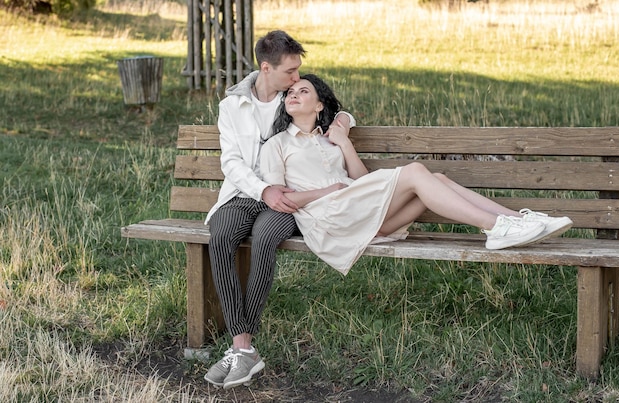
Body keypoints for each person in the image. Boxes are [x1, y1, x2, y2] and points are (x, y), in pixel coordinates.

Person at [259, 74, 573, 275]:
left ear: (318, 106)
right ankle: (495, 227)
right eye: (291, 93)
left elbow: (361, 180)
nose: (294, 95)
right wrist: (326, 192)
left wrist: (344, 142)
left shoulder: (329, 138)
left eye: (304, 91)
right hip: (329, 218)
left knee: (438, 181)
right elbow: (279, 199)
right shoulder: (277, 144)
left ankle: (518, 221)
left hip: (358, 215)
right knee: (416, 173)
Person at [203, 33, 353, 389]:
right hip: (245, 193)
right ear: (266, 68)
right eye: (291, 70)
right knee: (220, 236)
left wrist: (344, 121)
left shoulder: (294, 93)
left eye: (298, 69)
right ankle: (242, 347)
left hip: (289, 192)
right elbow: (232, 162)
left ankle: (243, 347)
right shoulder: (232, 107)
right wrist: (262, 190)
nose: (297, 76)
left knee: (265, 236)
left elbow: (330, 105)